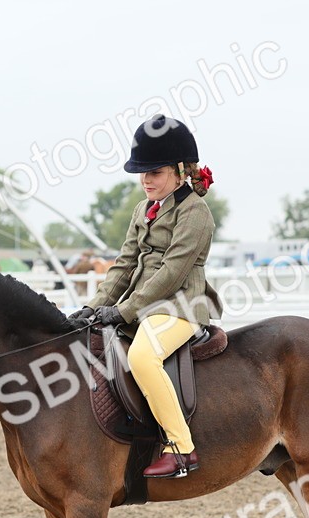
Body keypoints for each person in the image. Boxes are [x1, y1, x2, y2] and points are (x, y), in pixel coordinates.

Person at [66, 114, 221, 479]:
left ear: (182, 171)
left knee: (142, 356)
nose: (146, 181)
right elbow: (122, 266)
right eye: (143, 173)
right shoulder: (143, 209)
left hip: (182, 305)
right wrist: (93, 306)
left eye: (155, 173)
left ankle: (182, 448)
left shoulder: (195, 212)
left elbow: (171, 273)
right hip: (143, 304)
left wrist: (123, 311)